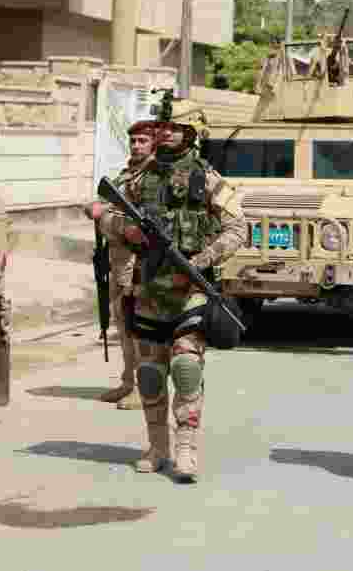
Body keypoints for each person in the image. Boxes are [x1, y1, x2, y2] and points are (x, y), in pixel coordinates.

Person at [90, 120, 246, 483]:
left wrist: (201, 261)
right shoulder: (139, 179)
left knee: (187, 368)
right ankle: (157, 446)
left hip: (190, 290)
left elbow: (239, 228)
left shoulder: (207, 179)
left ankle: (186, 447)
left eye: (173, 129)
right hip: (147, 290)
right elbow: (101, 211)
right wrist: (124, 229)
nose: (165, 135)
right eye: (160, 129)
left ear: (189, 136)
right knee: (149, 374)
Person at [83, 121, 158, 410]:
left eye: (142, 140)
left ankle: (143, 388)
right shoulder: (127, 174)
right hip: (117, 260)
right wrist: (95, 208)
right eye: (134, 140)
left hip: (137, 262)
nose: (137, 145)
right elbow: (102, 202)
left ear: (153, 144)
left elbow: (139, 225)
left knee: (137, 326)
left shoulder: (152, 177)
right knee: (122, 325)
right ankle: (128, 381)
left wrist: (105, 217)